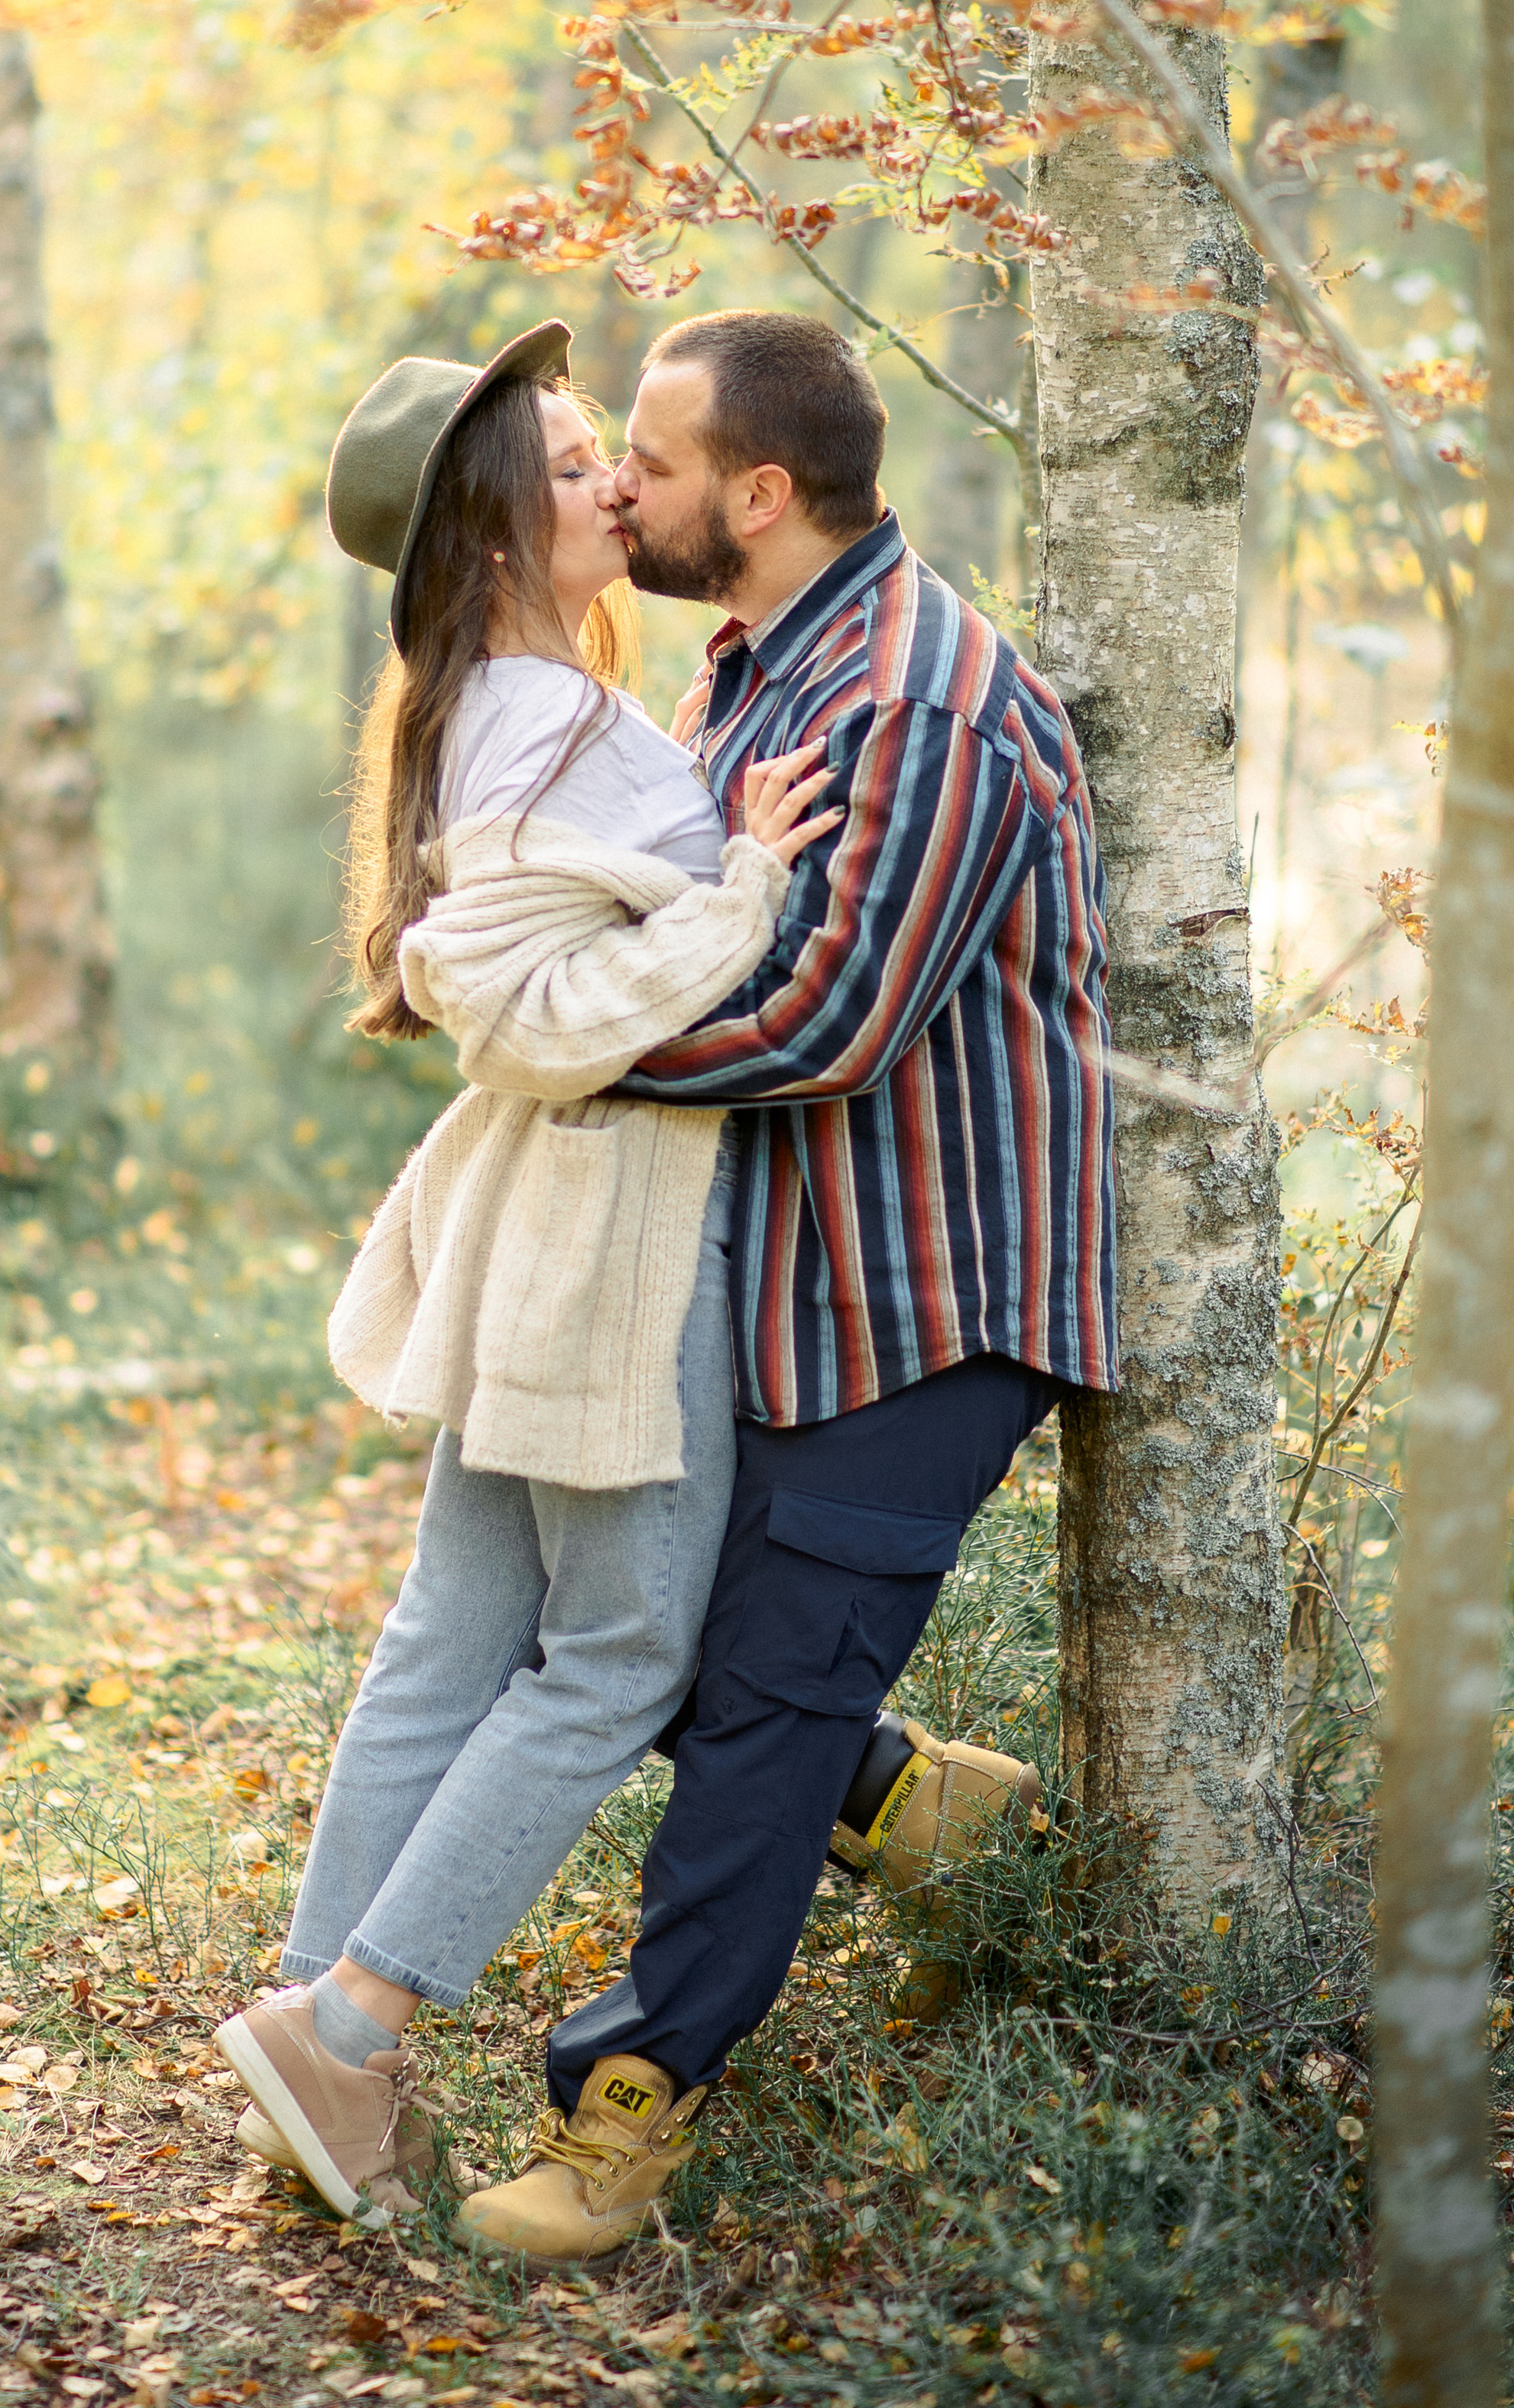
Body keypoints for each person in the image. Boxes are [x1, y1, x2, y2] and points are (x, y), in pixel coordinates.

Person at [455, 308, 1117, 2268]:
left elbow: (822, 1019)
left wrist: (549, 1043)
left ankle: (617, 2130)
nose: (615, 491)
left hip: (928, 1299)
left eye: (643, 463)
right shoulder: (747, 667)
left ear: (756, 492)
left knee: (739, 1706)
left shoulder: (912, 699)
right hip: (775, 1284)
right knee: (614, 1638)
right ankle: (926, 1813)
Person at [212, 319, 839, 2224]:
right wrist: (741, 887)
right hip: (603, 1227)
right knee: (615, 1651)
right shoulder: (544, 716)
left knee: (450, 1637)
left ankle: (312, 2029)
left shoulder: (516, 700)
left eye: (604, 454)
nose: (613, 486)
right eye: (571, 464)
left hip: (540, 1224)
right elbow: (536, 1015)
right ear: (487, 530)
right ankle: (359, 2024)